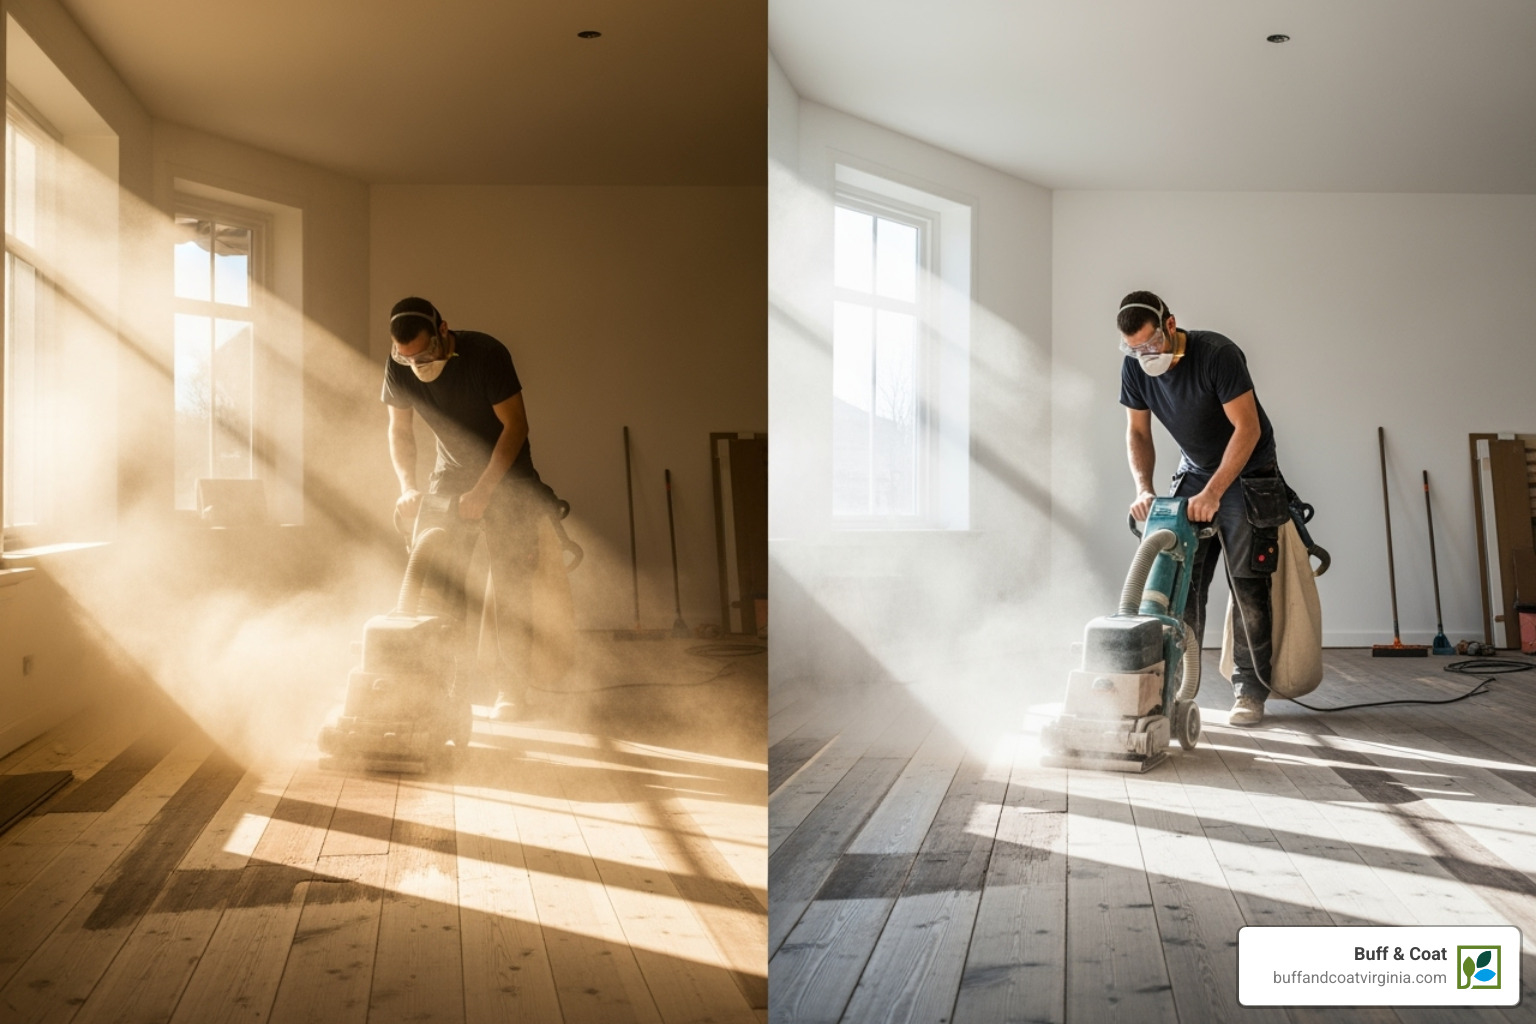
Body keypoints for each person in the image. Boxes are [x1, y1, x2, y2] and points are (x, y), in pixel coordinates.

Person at [1118, 290, 1287, 727]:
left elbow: (1247, 430)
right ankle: (1177, 683)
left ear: (1170, 326)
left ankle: (1250, 690)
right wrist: (1144, 488)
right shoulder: (1136, 368)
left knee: (1247, 584)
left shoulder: (1217, 355)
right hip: (1194, 470)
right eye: (1134, 349)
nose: (1145, 355)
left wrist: (1214, 493)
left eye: (1151, 344)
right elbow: (1138, 432)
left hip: (1247, 469)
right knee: (1182, 582)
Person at [382, 296, 543, 720]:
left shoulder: (486, 354)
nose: (419, 364)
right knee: (442, 584)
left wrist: (486, 491)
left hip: (508, 475)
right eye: (409, 358)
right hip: (449, 475)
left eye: (427, 353)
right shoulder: (399, 365)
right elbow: (400, 431)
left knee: (509, 588)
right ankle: (445, 685)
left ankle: (512, 691)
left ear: (443, 331)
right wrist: (408, 489)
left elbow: (516, 425)